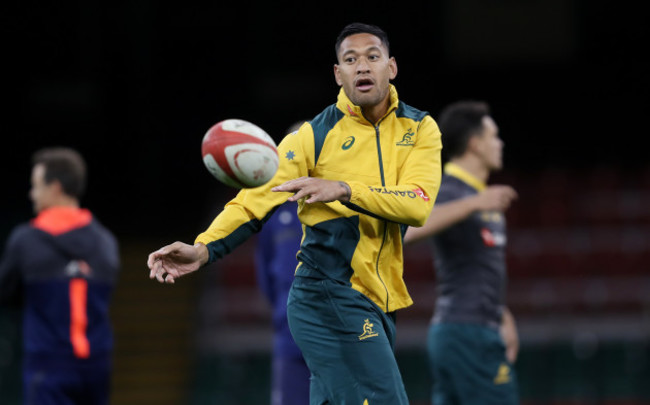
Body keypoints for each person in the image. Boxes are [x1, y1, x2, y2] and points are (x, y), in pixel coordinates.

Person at [148, 22, 442, 404]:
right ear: (338, 74)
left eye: (372, 56)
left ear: (392, 66)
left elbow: (416, 204)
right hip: (327, 294)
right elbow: (252, 200)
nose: (362, 67)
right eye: (350, 60)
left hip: (377, 300)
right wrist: (204, 249)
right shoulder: (312, 137)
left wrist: (344, 188)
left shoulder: (420, 128)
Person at [403, 100, 520, 405]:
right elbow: (408, 231)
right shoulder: (450, 191)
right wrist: (473, 204)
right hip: (466, 333)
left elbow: (478, 268)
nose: (500, 143)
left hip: (475, 329)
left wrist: (502, 314)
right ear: (475, 144)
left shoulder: (480, 196)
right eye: (493, 135)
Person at [0, 147, 120, 405]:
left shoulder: (26, 240)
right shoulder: (106, 242)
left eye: (35, 186)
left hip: (48, 364)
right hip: (97, 365)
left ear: (54, 187)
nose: (31, 195)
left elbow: (6, 292)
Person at [254, 121, 309, 405]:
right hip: (288, 338)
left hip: (339, 335)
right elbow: (265, 274)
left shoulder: (344, 203)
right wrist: (282, 313)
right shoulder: (273, 213)